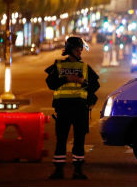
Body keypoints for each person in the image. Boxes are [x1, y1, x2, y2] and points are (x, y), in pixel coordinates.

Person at [45, 36, 100, 180]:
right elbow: (50, 84)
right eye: (77, 49)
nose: (80, 52)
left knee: (79, 140)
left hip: (79, 108)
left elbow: (95, 86)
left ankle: (78, 170)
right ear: (70, 50)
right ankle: (59, 170)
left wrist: (83, 83)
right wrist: (67, 79)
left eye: (81, 49)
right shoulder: (59, 66)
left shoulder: (84, 67)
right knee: (61, 140)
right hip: (64, 108)